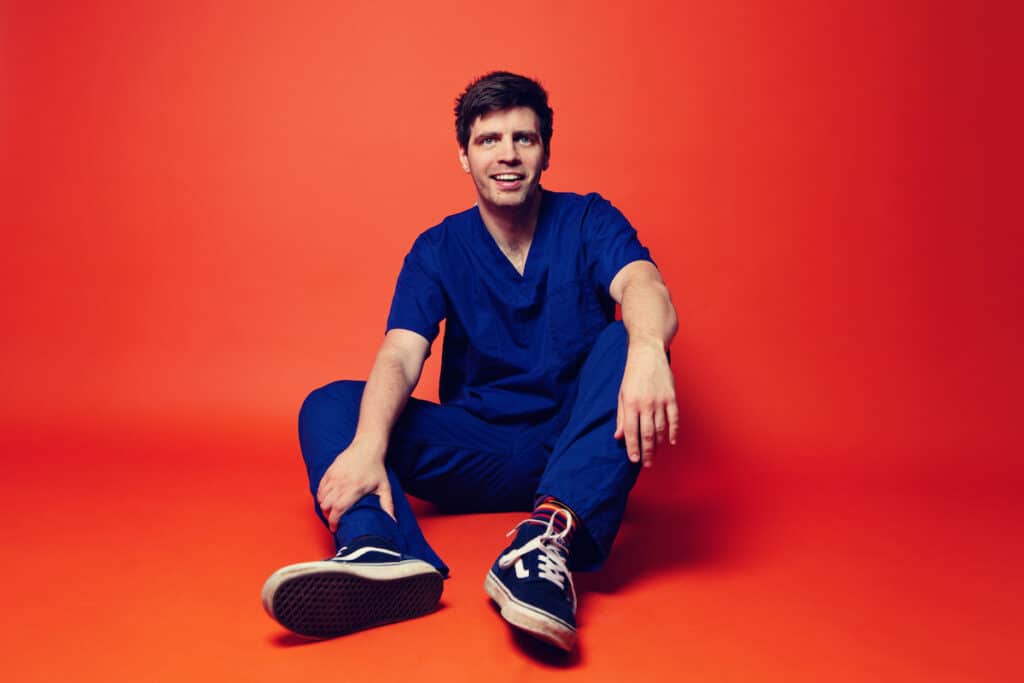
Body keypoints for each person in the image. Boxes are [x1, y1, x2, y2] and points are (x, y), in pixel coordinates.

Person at [261, 71, 678, 652]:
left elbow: (642, 285)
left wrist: (650, 348)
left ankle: (543, 544)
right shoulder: (438, 247)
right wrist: (366, 446)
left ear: (546, 150)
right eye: (489, 141)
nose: (507, 155)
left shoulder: (587, 220)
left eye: (523, 139)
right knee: (331, 404)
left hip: (573, 449)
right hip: (476, 451)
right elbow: (401, 354)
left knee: (626, 338)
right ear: (464, 155)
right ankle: (378, 548)